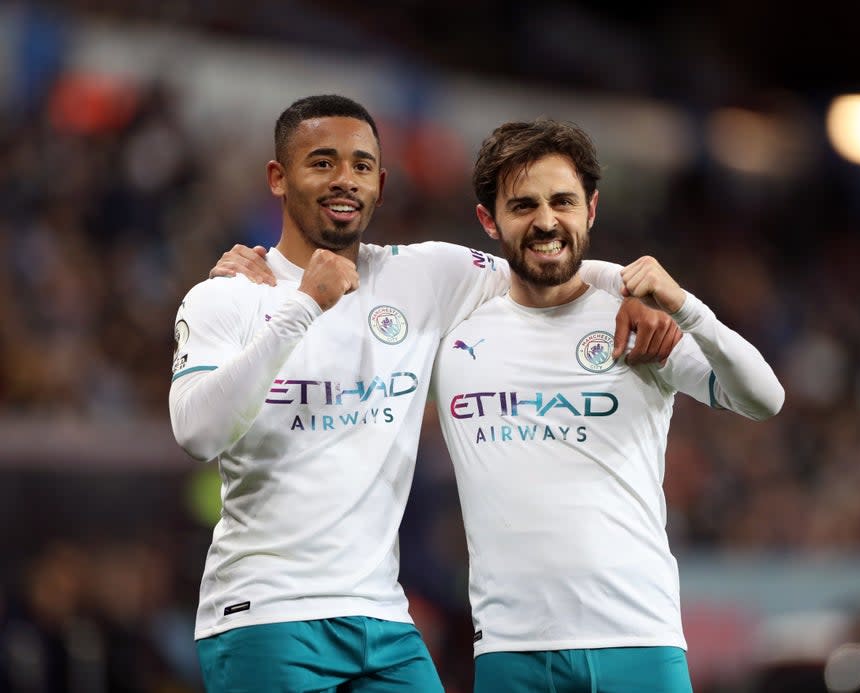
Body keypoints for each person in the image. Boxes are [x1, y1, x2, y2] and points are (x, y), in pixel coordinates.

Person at [169, 94, 680, 693]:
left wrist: (628, 288)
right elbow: (197, 434)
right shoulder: (227, 297)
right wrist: (303, 306)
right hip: (265, 615)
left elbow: (539, 260)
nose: (344, 180)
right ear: (278, 178)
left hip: (383, 618)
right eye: (322, 162)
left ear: (381, 184)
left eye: (361, 166)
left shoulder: (425, 276)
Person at [426, 118, 786, 692]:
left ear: (590, 209)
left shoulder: (642, 323)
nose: (547, 221)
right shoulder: (450, 327)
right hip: (512, 650)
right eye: (523, 205)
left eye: (562, 201)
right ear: (487, 220)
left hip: (639, 642)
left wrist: (688, 308)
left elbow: (765, 399)